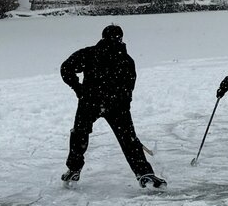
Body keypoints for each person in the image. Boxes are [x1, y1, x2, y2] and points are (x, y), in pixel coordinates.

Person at [59, 24, 165, 188]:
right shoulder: (126, 60)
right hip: (114, 104)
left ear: (102, 37)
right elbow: (129, 87)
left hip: (91, 102)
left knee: (80, 133)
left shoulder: (90, 53)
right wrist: (122, 104)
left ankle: (74, 168)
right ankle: (144, 173)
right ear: (121, 38)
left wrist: (78, 88)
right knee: (128, 139)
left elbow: (66, 68)